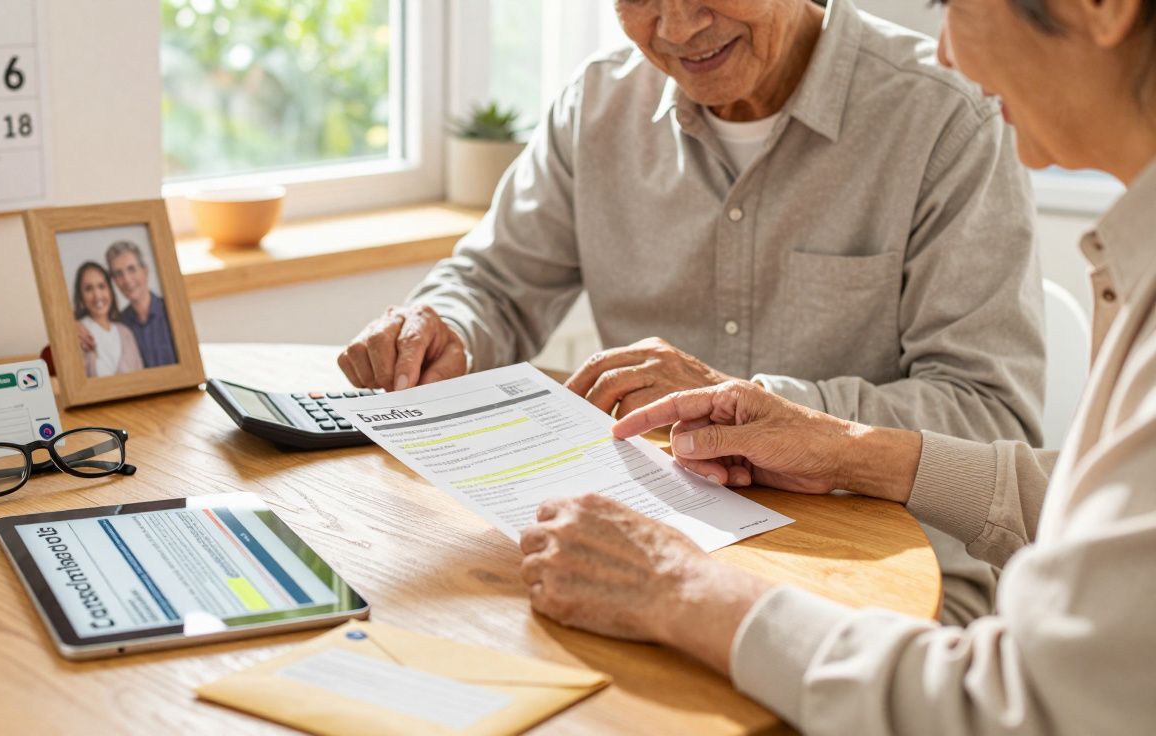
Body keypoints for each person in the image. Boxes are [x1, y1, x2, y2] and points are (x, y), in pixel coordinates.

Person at [518, 0, 1156, 729]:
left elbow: (1023, 706)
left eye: (953, 5)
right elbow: (1090, 501)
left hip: (897, 608)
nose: (946, 52)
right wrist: (841, 447)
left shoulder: (941, 114)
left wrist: (677, 585)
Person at [340, 0, 1045, 624]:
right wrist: (443, 326)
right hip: (643, 550)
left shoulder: (949, 114)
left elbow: (988, 412)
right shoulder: (597, 103)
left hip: (889, 579)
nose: (676, 27)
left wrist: (771, 414)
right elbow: (492, 283)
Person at [79, 240, 178, 369]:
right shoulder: (119, 325)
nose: (126, 280)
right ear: (114, 281)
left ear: (145, 270)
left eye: (131, 269)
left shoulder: (172, 311)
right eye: (119, 274)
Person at [72, 262, 143, 378]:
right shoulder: (78, 333)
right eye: (88, 289)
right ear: (80, 296)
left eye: (101, 286)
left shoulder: (126, 333)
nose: (97, 295)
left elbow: (142, 378)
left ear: (110, 290)